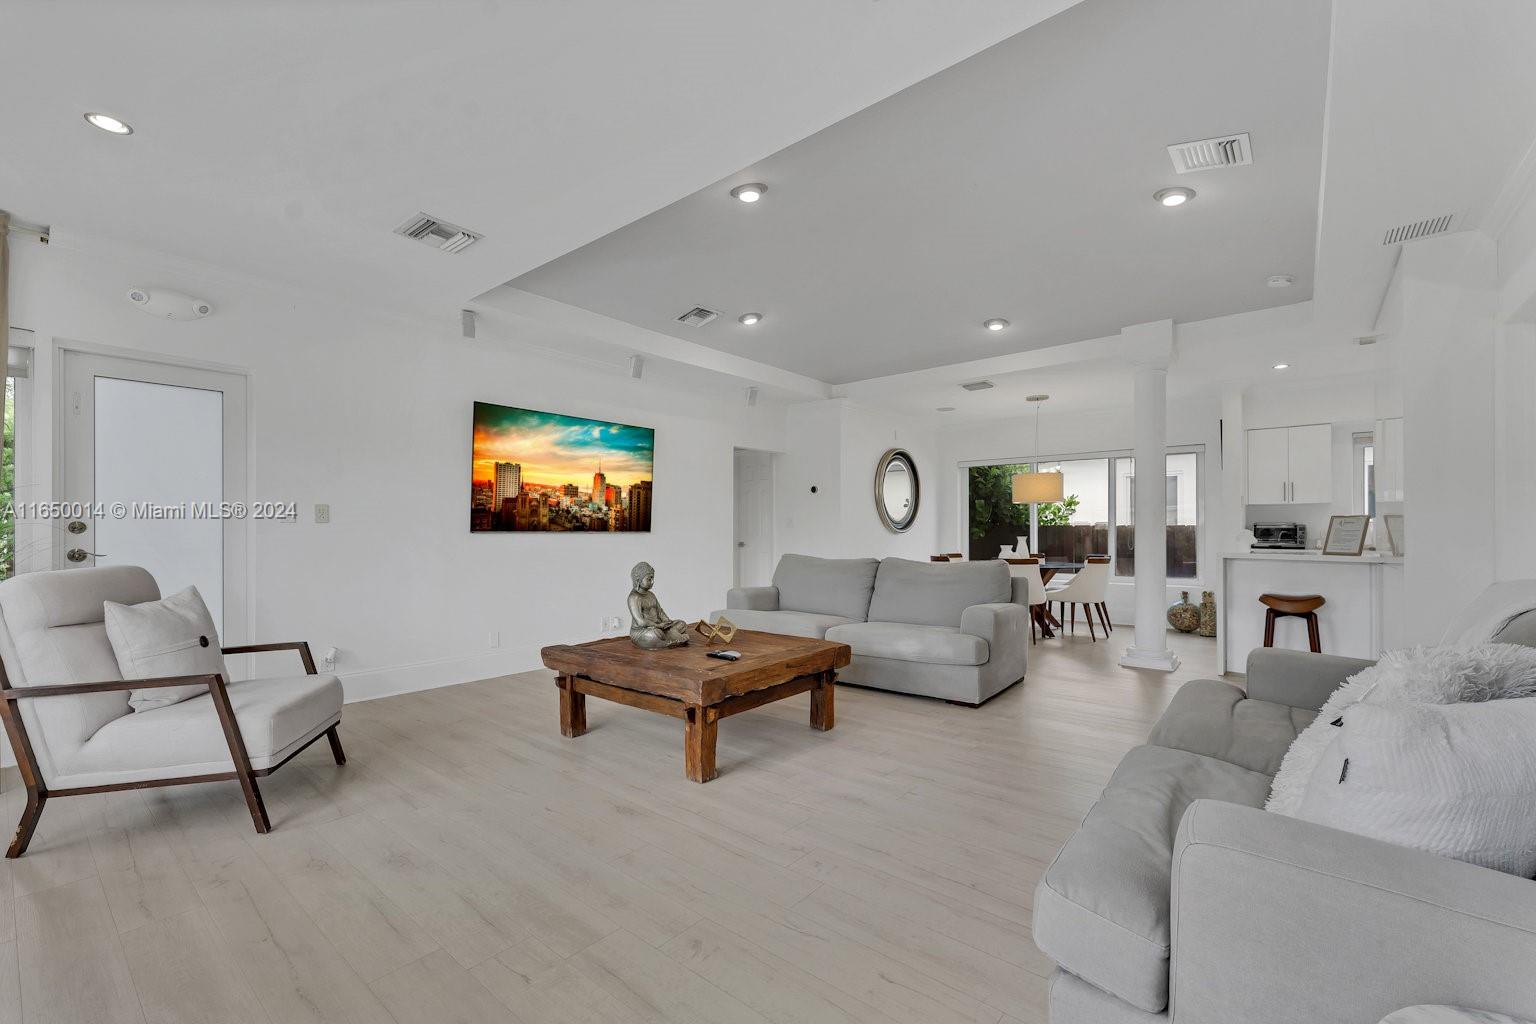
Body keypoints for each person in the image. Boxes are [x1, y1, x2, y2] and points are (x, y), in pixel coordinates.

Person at [627, 561, 690, 649]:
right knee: (654, 634)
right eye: (649, 579)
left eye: (653, 578)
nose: (652, 581)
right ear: (638, 580)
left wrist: (667, 621)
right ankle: (672, 640)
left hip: (660, 626)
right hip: (643, 631)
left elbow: (660, 611)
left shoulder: (651, 595)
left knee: (682, 624)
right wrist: (658, 626)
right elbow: (641, 622)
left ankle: (670, 637)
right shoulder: (634, 597)